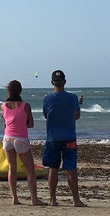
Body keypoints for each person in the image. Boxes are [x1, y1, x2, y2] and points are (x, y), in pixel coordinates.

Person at [42, 70, 86, 207]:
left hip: (53, 138)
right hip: (69, 138)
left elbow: (46, 115)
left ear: (52, 82)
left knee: (53, 168)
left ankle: (53, 199)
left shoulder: (47, 99)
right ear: (64, 82)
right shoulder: (73, 98)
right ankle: (76, 200)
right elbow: (77, 115)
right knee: (71, 169)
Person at [1, 80, 45, 206]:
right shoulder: (25, 105)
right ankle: (34, 199)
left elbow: (6, 123)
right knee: (30, 170)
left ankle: (14, 198)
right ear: (20, 91)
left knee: (12, 168)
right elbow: (30, 124)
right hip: (21, 139)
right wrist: (22, 124)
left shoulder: (3, 106)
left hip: (7, 138)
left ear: (8, 91)